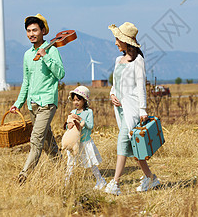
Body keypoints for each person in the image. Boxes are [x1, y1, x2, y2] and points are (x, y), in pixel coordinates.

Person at [104, 22, 160, 195]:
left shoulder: (138, 61)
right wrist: (112, 94)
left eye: (117, 39)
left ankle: (115, 184)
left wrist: (142, 110)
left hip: (133, 108)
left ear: (125, 41)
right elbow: (116, 83)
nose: (115, 43)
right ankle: (151, 178)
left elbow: (140, 87)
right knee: (135, 146)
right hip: (120, 110)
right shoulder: (118, 60)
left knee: (122, 142)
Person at [10, 13, 65, 185]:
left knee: (36, 140)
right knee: (48, 143)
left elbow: (61, 74)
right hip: (32, 104)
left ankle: (23, 176)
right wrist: (18, 103)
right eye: (28, 31)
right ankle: (64, 170)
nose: (31, 33)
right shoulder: (27, 55)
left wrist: (46, 56)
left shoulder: (52, 50)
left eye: (35, 30)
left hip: (47, 102)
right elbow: (26, 81)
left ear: (43, 31)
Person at [65, 86, 106, 189]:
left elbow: (90, 125)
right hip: (75, 143)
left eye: (78, 100)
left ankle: (100, 180)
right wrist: (68, 125)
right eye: (74, 100)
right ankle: (66, 182)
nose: (76, 102)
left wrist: (80, 118)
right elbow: (68, 124)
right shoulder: (73, 112)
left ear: (84, 100)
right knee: (70, 162)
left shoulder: (88, 112)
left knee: (90, 162)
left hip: (85, 142)